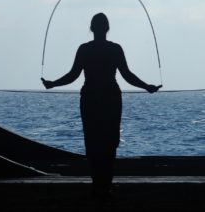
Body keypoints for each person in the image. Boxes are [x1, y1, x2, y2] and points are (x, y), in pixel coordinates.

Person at [41, 13, 161, 196]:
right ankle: (106, 184)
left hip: (89, 97)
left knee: (93, 140)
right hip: (111, 97)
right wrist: (147, 87)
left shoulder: (84, 49)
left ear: (91, 28)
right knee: (110, 141)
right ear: (107, 28)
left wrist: (53, 83)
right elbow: (127, 75)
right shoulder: (115, 49)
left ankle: (97, 184)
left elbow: (73, 75)